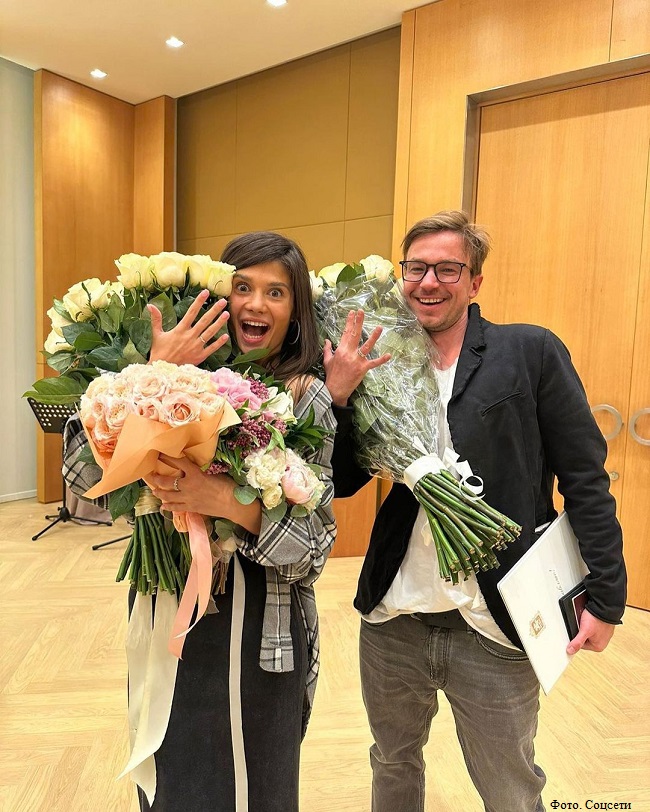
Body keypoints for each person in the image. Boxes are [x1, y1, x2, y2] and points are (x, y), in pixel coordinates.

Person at [322, 210, 626, 812]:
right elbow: (343, 481)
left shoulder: (529, 351)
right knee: (392, 761)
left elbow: (585, 478)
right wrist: (340, 398)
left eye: (448, 269)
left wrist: (607, 597)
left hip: (496, 614)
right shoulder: (377, 358)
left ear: (475, 281)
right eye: (416, 268)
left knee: (509, 783)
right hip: (395, 614)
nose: (428, 282)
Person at [67, 232, 337, 812]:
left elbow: (315, 545)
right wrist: (150, 375)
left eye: (276, 292)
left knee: (257, 786)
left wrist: (226, 501)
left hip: (263, 626)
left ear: (296, 313)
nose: (256, 304)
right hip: (168, 612)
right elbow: (81, 477)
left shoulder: (305, 396)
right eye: (242, 287)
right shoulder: (164, 378)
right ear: (216, 296)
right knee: (172, 778)